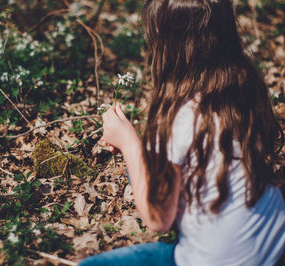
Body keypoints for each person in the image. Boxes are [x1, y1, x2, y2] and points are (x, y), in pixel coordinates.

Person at [80, 0, 285, 265]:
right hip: (276, 241)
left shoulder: (176, 119)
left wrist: (129, 143)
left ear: (165, 44)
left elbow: (158, 220)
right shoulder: (245, 86)